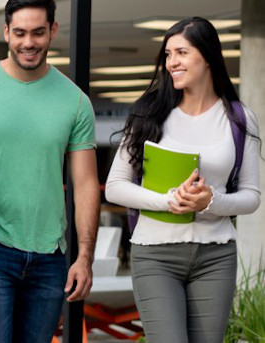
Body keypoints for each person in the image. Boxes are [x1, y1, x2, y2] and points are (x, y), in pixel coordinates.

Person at [0, 0, 100, 342]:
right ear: (6, 32)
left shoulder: (75, 101)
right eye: (19, 33)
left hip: (50, 256)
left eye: (37, 32)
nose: (28, 42)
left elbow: (87, 182)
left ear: (53, 30)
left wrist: (85, 256)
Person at [105, 17, 261, 343]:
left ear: (207, 56)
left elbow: (251, 196)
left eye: (181, 52)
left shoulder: (238, 117)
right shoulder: (148, 113)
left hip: (216, 256)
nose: (171, 62)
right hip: (156, 255)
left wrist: (212, 201)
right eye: (167, 54)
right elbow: (116, 185)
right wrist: (167, 200)